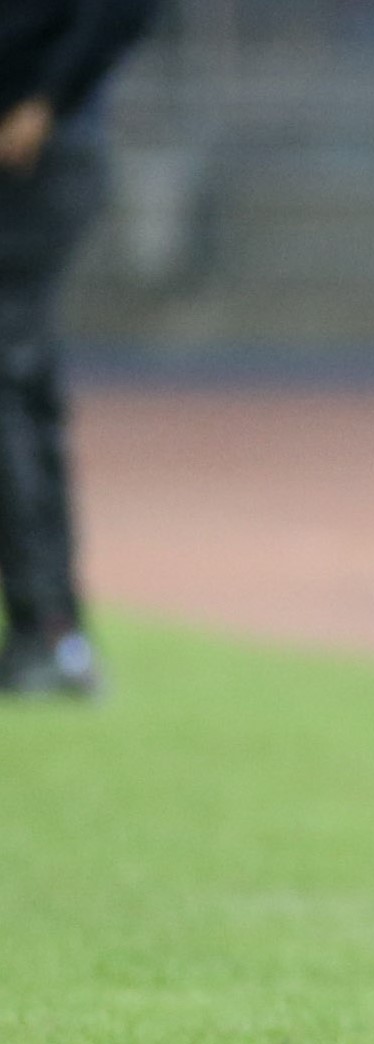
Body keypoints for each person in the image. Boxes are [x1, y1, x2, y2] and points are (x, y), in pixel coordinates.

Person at [0, 0, 157, 696]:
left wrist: (46, 99)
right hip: (39, 149)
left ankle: (47, 631)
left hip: (32, 155)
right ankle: (51, 633)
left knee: (10, 387)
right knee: (22, 391)